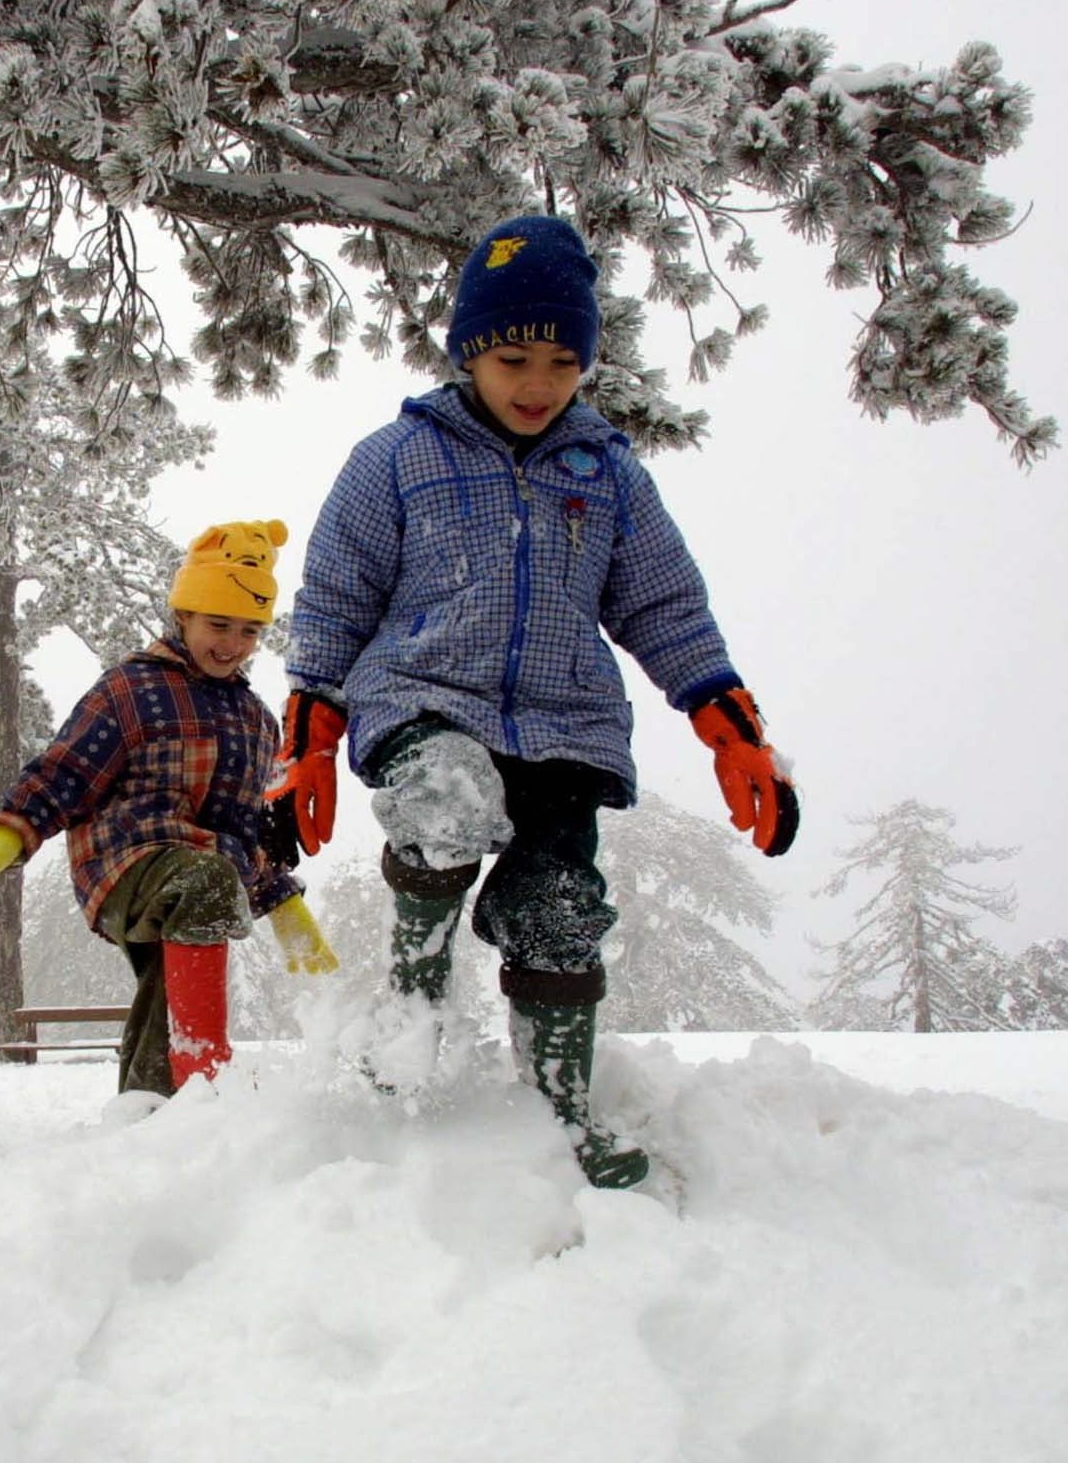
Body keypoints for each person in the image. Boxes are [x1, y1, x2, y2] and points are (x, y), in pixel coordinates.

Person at [265, 214, 799, 1189]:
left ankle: (558, 1111)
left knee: (558, 909)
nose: (535, 382)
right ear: (470, 351)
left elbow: (664, 605)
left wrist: (730, 730)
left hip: (562, 729)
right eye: (511, 356)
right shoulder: (394, 458)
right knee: (448, 794)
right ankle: (412, 1010)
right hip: (424, 698)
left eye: (561, 361)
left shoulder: (608, 477)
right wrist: (309, 733)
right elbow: (335, 598)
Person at [0, 519, 340, 1099]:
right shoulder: (131, 689)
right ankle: (204, 1077)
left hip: (206, 876)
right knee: (204, 882)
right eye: (218, 624)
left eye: (250, 631)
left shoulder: (257, 722)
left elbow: (243, 832)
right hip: (124, 862)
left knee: (168, 986)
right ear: (183, 616)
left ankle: (149, 1109)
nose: (232, 643)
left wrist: (284, 906)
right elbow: (67, 773)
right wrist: (6, 834)